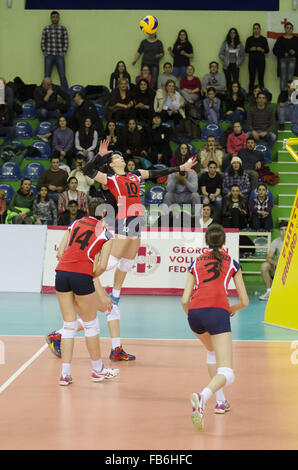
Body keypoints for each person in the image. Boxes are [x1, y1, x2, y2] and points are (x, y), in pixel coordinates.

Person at [82, 140, 197, 360]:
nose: (121, 158)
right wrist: (100, 155)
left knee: (126, 263)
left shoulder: (134, 174)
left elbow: (157, 172)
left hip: (137, 222)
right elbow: (87, 171)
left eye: (120, 156)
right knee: (111, 263)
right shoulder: (111, 179)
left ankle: (114, 296)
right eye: (116, 157)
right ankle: (87, 282)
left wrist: (181, 168)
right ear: (110, 164)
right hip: (125, 221)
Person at [182, 224, 249, 430]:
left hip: (194, 313)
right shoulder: (232, 263)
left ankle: (221, 402)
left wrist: (194, 314)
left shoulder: (195, 262)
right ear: (224, 243)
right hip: (217, 312)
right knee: (228, 372)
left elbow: (185, 300)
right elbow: (245, 300)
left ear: (206, 242)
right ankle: (203, 396)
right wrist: (232, 309)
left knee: (211, 352)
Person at [54, 197, 119, 385]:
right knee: (91, 325)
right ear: (104, 213)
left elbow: (60, 253)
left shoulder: (75, 223)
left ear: (87, 209)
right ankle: (97, 370)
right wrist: (87, 277)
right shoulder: (106, 234)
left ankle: (65, 374)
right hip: (81, 275)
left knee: (68, 325)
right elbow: (102, 266)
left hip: (62, 272)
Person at [259, 221, 288, 300]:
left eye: (286, 229)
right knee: (264, 266)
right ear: (279, 231)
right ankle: (269, 292)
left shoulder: (295, 241)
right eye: (282, 230)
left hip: (292, 272)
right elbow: (268, 258)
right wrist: (276, 263)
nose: (284, 232)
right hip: (279, 270)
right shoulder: (276, 241)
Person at [41, 11, 69, 91]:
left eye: (56, 17)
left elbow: (66, 41)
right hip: (49, 55)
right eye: (53, 17)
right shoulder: (46, 29)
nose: (55, 18)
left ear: (58, 18)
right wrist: (44, 50)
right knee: (47, 76)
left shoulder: (63, 29)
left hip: (59, 56)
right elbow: (43, 41)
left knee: (62, 76)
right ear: (51, 18)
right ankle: (45, 92)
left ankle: (65, 94)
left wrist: (64, 52)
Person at [273, 22, 298, 92]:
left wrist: (294, 52)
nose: (289, 29)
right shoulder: (280, 39)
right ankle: (282, 96)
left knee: (290, 78)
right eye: (287, 28)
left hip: (292, 60)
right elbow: (274, 50)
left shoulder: (296, 39)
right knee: (283, 77)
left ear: (292, 29)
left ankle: (290, 97)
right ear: (285, 29)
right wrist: (283, 53)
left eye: (290, 28)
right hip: (283, 60)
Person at [245, 23, 269, 92]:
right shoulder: (249, 39)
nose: (256, 30)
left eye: (257, 28)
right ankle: (250, 94)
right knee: (251, 78)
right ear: (253, 30)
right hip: (252, 61)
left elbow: (267, 50)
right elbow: (246, 50)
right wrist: (250, 49)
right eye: (254, 28)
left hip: (261, 60)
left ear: (260, 29)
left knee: (260, 78)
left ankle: (262, 94)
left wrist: (261, 49)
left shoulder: (263, 39)